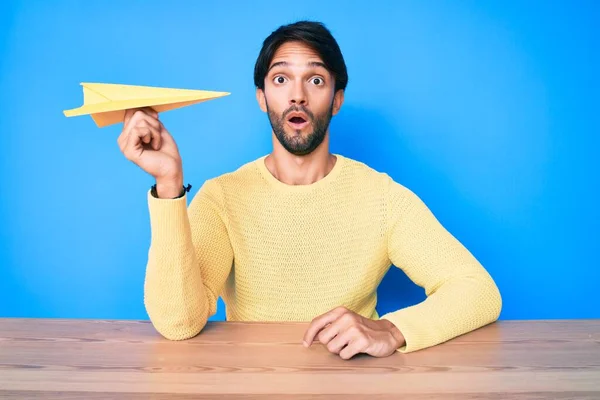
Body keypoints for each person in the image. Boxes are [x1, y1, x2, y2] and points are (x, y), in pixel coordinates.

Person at [117, 20, 502, 359]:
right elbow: (178, 324)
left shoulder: (382, 198)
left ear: (336, 100)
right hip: (250, 383)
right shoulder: (223, 197)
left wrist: (393, 330)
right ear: (262, 97)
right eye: (281, 79)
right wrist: (168, 185)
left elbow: (478, 290)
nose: (297, 95)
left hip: (352, 382)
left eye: (315, 80)